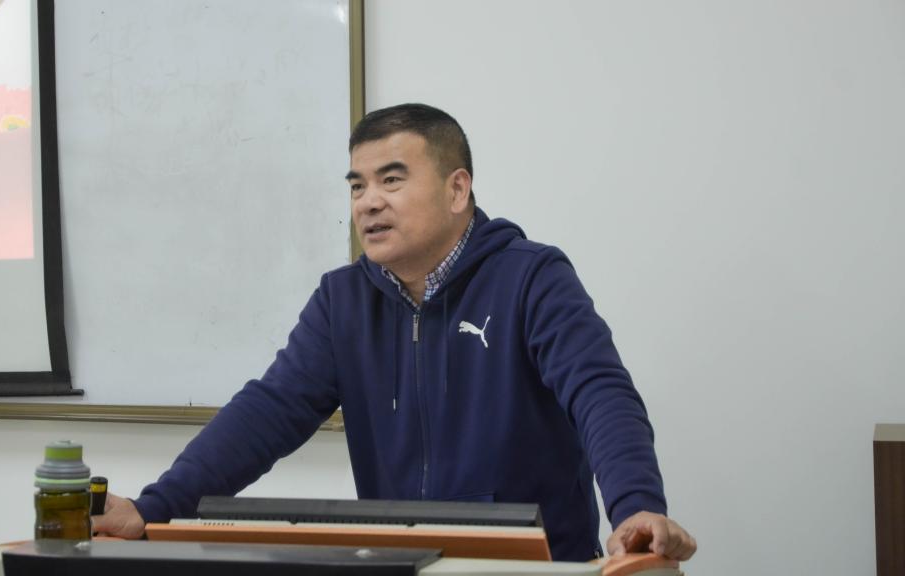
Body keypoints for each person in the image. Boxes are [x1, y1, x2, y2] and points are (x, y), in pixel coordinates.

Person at [94, 103, 697, 563]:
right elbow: (268, 412)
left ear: (457, 189)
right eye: (357, 185)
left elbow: (599, 392)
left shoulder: (530, 277)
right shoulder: (342, 300)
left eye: (391, 180)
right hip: (401, 564)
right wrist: (153, 509)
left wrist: (636, 507)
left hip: (531, 567)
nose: (368, 203)